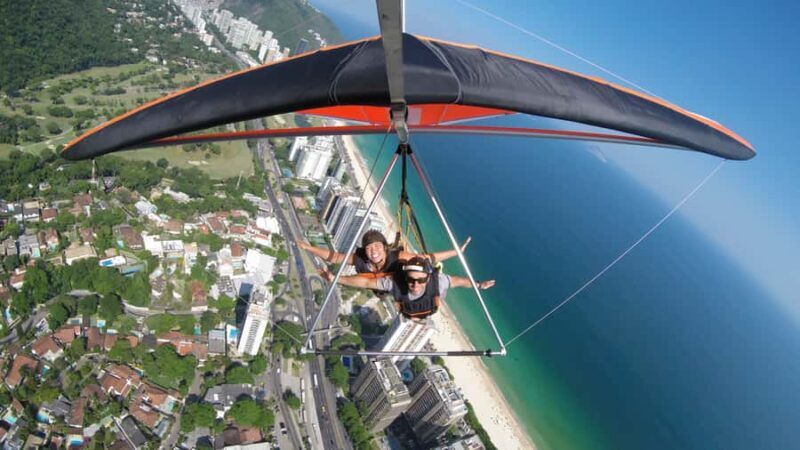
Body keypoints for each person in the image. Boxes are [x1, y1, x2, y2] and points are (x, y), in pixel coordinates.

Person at [321, 256, 495, 319]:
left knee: (440, 280)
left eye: (421, 280)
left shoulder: (438, 281)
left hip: (430, 307)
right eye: (411, 280)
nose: (415, 285)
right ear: (405, 277)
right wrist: (336, 279)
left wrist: (479, 285)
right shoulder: (395, 282)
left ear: (428, 278)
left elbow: (460, 281)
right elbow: (366, 282)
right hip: (409, 310)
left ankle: (433, 266)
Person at [296, 229, 471, 275]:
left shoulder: (397, 257)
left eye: (377, 247)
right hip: (378, 284)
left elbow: (427, 257)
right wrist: (308, 248)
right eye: (369, 248)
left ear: (384, 247)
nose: (374, 251)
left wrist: (456, 252)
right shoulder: (362, 260)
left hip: (396, 278)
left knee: (419, 267)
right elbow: (335, 258)